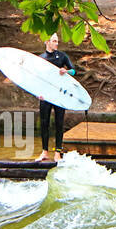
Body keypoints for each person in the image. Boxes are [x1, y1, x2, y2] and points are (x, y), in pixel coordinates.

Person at [34, 34, 75, 162]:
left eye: (57, 41)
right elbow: (36, 78)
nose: (57, 43)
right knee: (44, 123)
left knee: (59, 122)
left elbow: (74, 70)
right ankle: (44, 151)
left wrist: (66, 71)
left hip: (59, 95)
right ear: (47, 42)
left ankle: (58, 152)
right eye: (54, 41)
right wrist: (37, 93)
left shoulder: (62, 56)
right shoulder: (41, 58)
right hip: (45, 95)